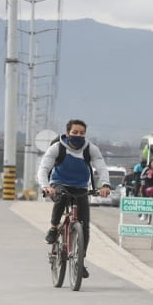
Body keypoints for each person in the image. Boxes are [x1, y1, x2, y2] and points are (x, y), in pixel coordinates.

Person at [37, 119, 111, 279]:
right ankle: (53, 228)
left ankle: (80, 261)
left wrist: (105, 185)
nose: (78, 136)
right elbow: (44, 168)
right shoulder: (57, 148)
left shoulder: (90, 149)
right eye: (75, 133)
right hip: (59, 183)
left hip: (81, 188)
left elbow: (101, 166)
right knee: (61, 198)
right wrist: (45, 186)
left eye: (82, 133)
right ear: (67, 133)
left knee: (84, 227)